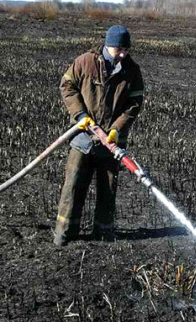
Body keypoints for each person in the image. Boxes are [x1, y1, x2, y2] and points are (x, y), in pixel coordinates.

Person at [53, 25, 145, 246]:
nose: (122, 54)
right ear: (107, 45)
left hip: (111, 142)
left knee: (107, 189)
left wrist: (116, 129)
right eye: (118, 49)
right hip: (83, 137)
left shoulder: (132, 70)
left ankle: (103, 236)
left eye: (126, 49)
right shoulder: (85, 62)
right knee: (73, 187)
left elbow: (134, 104)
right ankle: (64, 234)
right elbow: (67, 86)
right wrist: (80, 115)